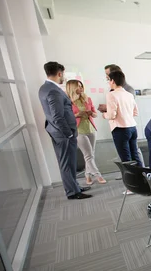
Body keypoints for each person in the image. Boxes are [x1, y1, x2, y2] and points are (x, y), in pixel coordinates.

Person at [38, 62, 91, 200]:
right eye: (64, 74)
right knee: (67, 163)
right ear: (59, 73)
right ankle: (73, 192)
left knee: (69, 162)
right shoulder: (53, 90)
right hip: (63, 134)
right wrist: (68, 133)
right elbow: (57, 116)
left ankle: (74, 187)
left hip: (57, 132)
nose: (64, 77)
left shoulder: (44, 88)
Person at [65, 80, 106, 185]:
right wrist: (77, 114)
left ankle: (87, 175)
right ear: (72, 88)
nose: (81, 87)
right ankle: (98, 175)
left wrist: (91, 113)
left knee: (91, 154)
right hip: (79, 130)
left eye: (81, 85)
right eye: (78, 86)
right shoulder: (68, 102)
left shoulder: (87, 99)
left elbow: (95, 114)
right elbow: (66, 117)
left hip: (90, 128)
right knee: (88, 155)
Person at [98, 70, 142, 166]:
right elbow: (135, 112)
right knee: (135, 156)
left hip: (120, 129)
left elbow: (111, 115)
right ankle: (143, 178)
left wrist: (104, 114)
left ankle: (132, 180)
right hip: (132, 128)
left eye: (109, 80)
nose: (109, 83)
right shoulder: (129, 95)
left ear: (112, 81)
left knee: (126, 160)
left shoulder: (111, 94)